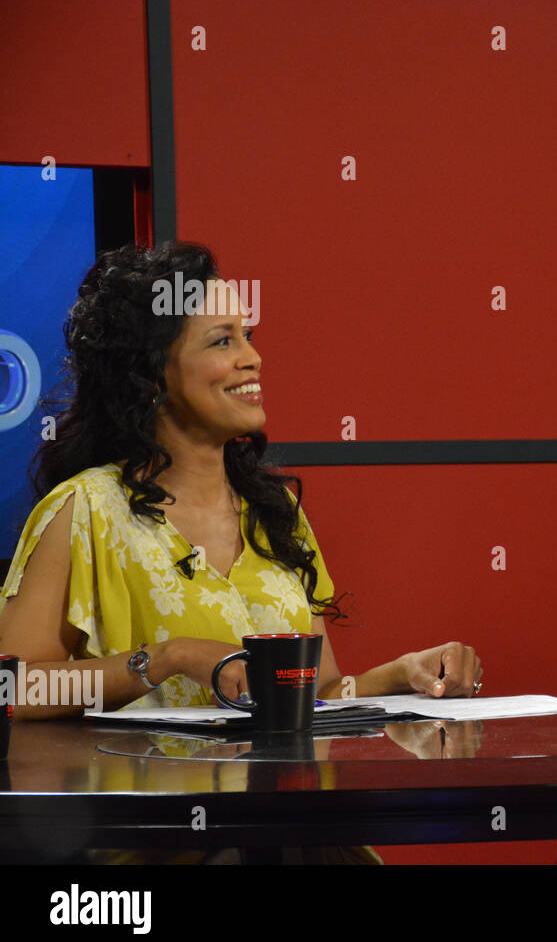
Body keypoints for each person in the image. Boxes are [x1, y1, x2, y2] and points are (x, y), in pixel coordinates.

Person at [0, 242, 485, 861]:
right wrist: (170, 658)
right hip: (161, 850)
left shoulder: (277, 516)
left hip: (293, 838)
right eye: (221, 341)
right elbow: (15, 690)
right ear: (152, 373)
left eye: (247, 335)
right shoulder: (85, 512)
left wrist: (407, 675)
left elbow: (317, 700)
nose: (252, 357)